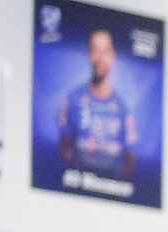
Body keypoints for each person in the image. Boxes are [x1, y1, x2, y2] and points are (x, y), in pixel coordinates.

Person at [58, 29, 136, 183]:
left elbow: (129, 159)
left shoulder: (123, 109)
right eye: (95, 50)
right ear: (89, 54)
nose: (100, 58)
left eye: (105, 51)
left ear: (113, 56)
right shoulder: (72, 100)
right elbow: (64, 149)